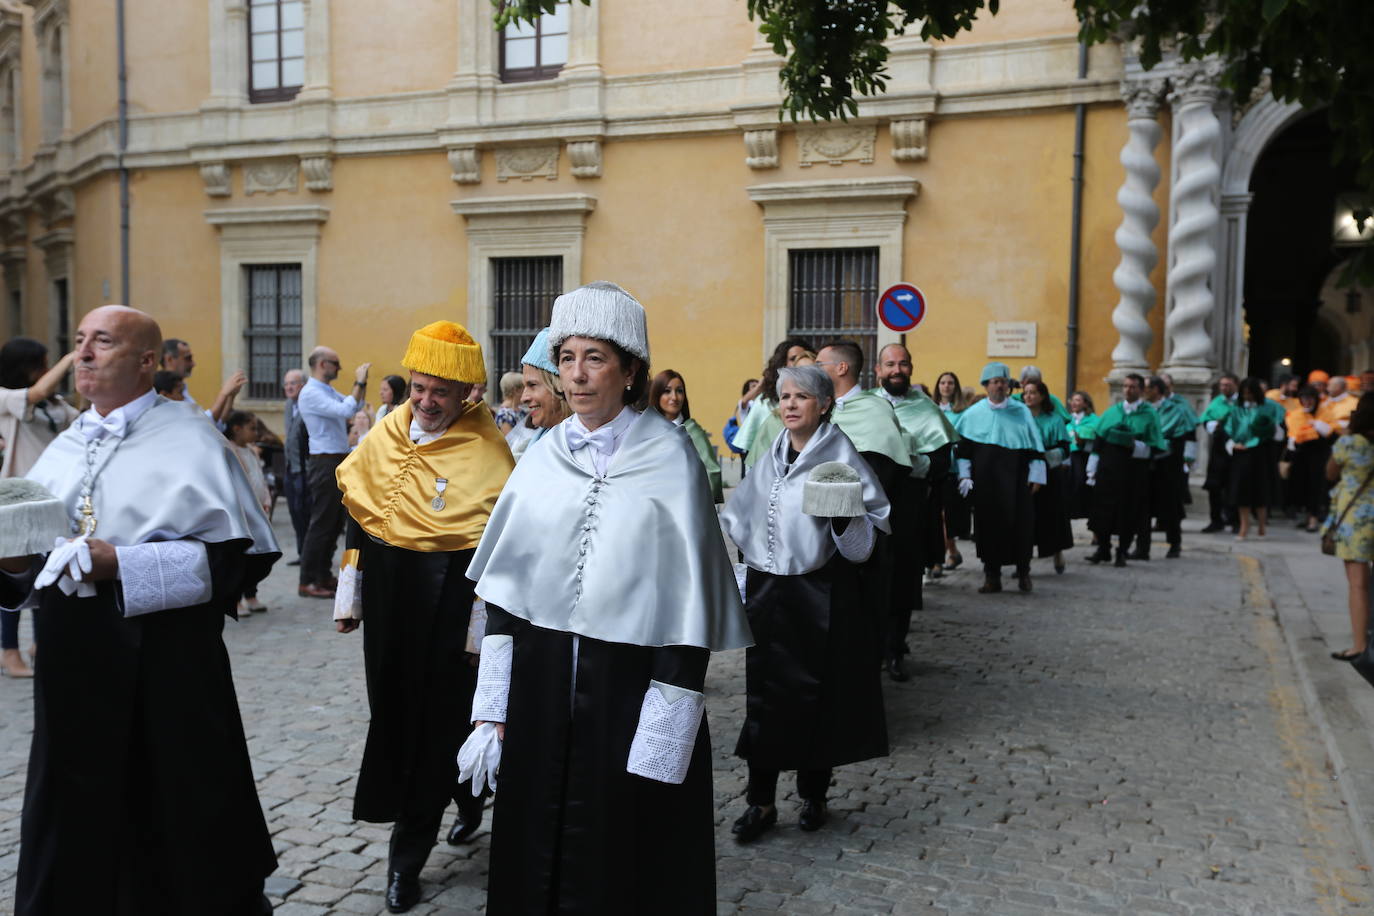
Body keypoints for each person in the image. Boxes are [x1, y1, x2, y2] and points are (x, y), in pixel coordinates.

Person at [462, 282, 751, 914]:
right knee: (535, 845)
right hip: (540, 690)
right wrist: (491, 711)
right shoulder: (540, 461)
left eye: (595, 358)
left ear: (630, 371)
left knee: (627, 856)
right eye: (566, 358)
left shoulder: (670, 460)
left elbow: (690, 611)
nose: (577, 375)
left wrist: (665, 731)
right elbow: (507, 599)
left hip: (628, 690)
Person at [3, 305, 279, 916]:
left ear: (147, 361)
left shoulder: (190, 437)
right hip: (72, 666)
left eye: (103, 342)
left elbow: (235, 564)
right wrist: (15, 561)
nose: (85, 355)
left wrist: (122, 565)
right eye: (78, 342)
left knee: (176, 806)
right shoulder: (66, 443)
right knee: (73, 808)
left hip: (166, 666)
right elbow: (28, 557)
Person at [332, 321, 514, 913]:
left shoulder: (489, 455)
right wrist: (349, 594)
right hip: (388, 609)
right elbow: (359, 514)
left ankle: (406, 859)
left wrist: (480, 633)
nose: (427, 401)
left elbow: (497, 559)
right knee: (393, 715)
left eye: (440, 391)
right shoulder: (387, 432)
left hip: (450, 616)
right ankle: (465, 797)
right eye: (419, 387)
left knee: (438, 725)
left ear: (468, 395)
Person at [720, 364, 890, 842]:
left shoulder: (841, 456)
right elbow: (742, 520)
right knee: (764, 699)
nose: (790, 404)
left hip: (820, 594)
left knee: (817, 697)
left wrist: (844, 514)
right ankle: (761, 802)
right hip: (768, 592)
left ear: (824, 403)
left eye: (801, 396)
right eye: (784, 396)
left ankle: (814, 794)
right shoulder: (770, 456)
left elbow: (866, 541)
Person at [815, 340, 912, 677]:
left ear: (841, 368)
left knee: (861, 617)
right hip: (820, 536)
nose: (814, 369)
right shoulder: (822, 407)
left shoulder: (874, 410)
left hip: (860, 534)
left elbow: (882, 475)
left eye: (820, 363)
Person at [869, 343, 956, 680]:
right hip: (869, 508)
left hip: (907, 507)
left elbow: (941, 463)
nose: (896, 370)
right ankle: (872, 647)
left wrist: (910, 462)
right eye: (890, 364)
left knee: (903, 578)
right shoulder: (865, 407)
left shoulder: (928, 409)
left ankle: (895, 650)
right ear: (878, 370)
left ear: (911, 369)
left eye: (903, 364)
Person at [0, 339, 78, 678]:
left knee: (45, 572)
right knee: (14, 575)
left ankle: (39, 643)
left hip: (49, 498)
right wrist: (73, 358)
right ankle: (9, 651)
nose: (48, 372)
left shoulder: (57, 403)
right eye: (42, 364)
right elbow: (34, 394)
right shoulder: (5, 397)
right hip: (14, 501)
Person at [953, 362, 1046, 593]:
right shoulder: (973, 414)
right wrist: (964, 476)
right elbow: (963, 451)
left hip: (1017, 482)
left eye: (1003, 382)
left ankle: (1024, 573)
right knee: (987, 527)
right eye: (995, 382)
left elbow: (1034, 448)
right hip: (986, 483)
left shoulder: (1021, 411)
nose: (999, 386)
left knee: (1022, 526)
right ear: (986, 385)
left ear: (1008, 386)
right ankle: (991, 576)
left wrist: (1037, 476)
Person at [297, 345, 370, 599]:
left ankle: (322, 574)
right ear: (321, 364)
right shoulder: (310, 393)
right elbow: (347, 410)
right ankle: (307, 579)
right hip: (324, 460)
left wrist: (362, 385)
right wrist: (358, 381)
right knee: (321, 522)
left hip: (336, 459)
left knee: (334, 521)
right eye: (335, 362)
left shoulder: (325, 390)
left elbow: (356, 404)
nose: (339, 367)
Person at [1086, 373, 1167, 566]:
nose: (1128, 390)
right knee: (1102, 510)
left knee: (1128, 513)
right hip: (1108, 471)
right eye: (1125, 386)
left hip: (1133, 472)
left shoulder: (1149, 414)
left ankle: (1122, 551)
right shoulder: (1112, 412)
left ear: (1141, 390)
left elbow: (1154, 445)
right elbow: (1099, 441)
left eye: (1132, 387)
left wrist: (1133, 445)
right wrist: (1092, 468)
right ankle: (1103, 548)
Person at [1326, 393, 1374, 662]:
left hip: (1357, 520)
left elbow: (1330, 473)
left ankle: (1358, 646)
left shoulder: (1349, 443)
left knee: (1358, 585)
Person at [224, 410, 275, 615]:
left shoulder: (252, 451)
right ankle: (235, 600)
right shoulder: (229, 450)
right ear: (237, 429)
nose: (256, 433)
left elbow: (259, 477)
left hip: (257, 511)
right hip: (241, 513)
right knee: (240, 557)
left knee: (258, 555)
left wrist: (266, 499)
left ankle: (251, 594)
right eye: (252, 428)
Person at [733, 337, 811, 470]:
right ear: (782, 364)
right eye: (793, 359)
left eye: (802, 357)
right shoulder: (765, 402)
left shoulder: (819, 400)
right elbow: (752, 451)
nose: (799, 363)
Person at [1143, 376, 1197, 558]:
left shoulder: (1177, 409)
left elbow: (1188, 433)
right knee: (1143, 505)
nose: (1143, 391)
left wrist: (1189, 457)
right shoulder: (1143, 409)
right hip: (1145, 462)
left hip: (1168, 465)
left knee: (1170, 505)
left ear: (1156, 390)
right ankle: (1142, 547)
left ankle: (1174, 543)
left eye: (1147, 387)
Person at [651, 369, 724, 503]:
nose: (674, 397)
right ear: (657, 394)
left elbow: (712, 471)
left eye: (679, 391)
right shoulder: (646, 430)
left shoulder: (692, 432)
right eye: (667, 391)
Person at [1022, 379, 1072, 573]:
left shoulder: (1054, 419)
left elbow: (1065, 449)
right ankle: (1023, 557)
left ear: (1042, 396)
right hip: (1026, 472)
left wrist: (1045, 458)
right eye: (1025, 392)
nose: (1028, 396)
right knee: (1026, 516)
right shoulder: (1020, 418)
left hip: (1050, 473)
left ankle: (1057, 551)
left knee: (1052, 515)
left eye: (1033, 392)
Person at [1225, 377, 1278, 541]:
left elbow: (1273, 429)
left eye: (1250, 393)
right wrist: (1234, 443)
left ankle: (1262, 525)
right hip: (1241, 453)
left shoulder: (1267, 407)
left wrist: (1260, 437)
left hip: (1259, 453)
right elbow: (1229, 427)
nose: (1247, 397)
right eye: (1245, 393)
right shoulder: (1237, 409)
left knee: (1259, 490)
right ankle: (1244, 526)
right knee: (1242, 492)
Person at [933, 370, 970, 565]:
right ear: (937, 387)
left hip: (954, 468)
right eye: (943, 383)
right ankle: (946, 554)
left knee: (947, 515)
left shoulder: (962, 413)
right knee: (935, 514)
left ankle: (949, 551)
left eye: (950, 383)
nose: (946, 386)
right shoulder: (931, 409)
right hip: (934, 466)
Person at [1288, 385, 1334, 532]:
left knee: (1316, 485)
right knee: (1302, 484)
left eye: (1309, 399)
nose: (1307, 402)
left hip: (1319, 454)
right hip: (1301, 454)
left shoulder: (1324, 412)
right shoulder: (1296, 414)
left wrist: (1316, 424)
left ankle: (1314, 517)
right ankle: (1306, 515)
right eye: (1303, 399)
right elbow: (1293, 434)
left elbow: (1329, 431)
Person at [1200, 373, 1240, 533]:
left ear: (1236, 385)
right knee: (1214, 485)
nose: (1224, 388)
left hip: (1237, 448)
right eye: (1222, 385)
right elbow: (1206, 419)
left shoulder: (1241, 403)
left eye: (1228, 385)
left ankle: (1235, 520)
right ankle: (1215, 520)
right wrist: (1212, 425)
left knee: (1234, 486)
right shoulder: (1217, 401)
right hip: (1218, 448)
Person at [282, 368, 311, 565]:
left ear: (303, 386)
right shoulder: (288, 406)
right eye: (286, 384)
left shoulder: (308, 406)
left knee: (305, 512)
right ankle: (302, 554)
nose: (289, 387)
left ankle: (309, 556)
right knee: (294, 512)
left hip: (305, 469)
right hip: (289, 469)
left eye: (293, 383)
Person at [1065, 390, 1098, 521]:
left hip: (1086, 458)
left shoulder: (1094, 420)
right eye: (1072, 400)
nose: (1074, 403)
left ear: (1085, 403)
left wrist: (1082, 437)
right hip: (1069, 459)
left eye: (1077, 400)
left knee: (1087, 490)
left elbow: (1095, 434)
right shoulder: (1067, 419)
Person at [493, 371, 526, 435]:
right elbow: (511, 442)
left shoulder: (521, 411)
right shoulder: (504, 415)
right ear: (516, 390)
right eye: (524, 388)